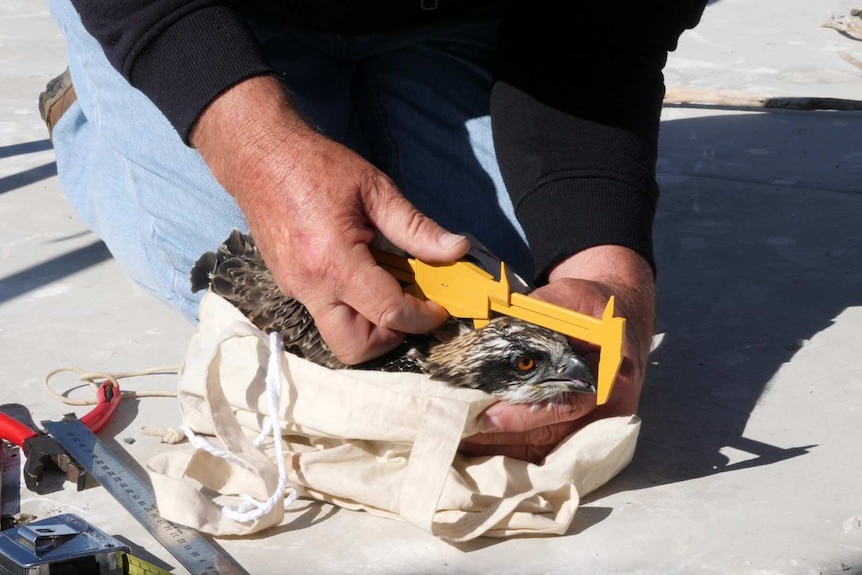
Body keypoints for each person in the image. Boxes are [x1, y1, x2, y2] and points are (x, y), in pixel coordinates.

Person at [45, 0, 707, 463]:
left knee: (492, 324)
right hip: (216, 11)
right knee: (262, 289)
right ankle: (100, 103)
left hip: (463, 18)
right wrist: (258, 151)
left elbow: (602, 28)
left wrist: (604, 271)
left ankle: (367, 93)